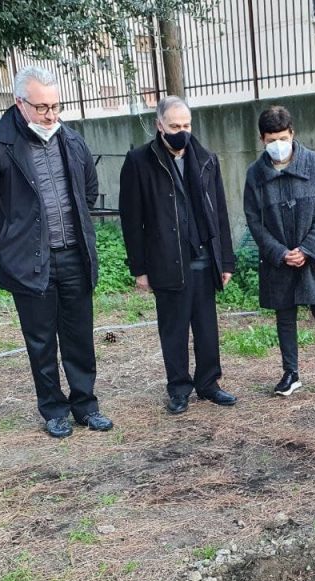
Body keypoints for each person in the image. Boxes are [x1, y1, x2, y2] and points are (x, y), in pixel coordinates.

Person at [0, 66, 113, 439]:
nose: (50, 115)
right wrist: (14, 230)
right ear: (19, 103)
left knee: (79, 335)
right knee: (41, 340)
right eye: (42, 107)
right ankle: (54, 409)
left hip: (74, 255)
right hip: (30, 262)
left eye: (55, 106)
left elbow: (87, 193)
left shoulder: (72, 141)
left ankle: (85, 405)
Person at [119, 96, 237, 413]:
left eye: (186, 125)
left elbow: (220, 213)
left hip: (203, 256)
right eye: (174, 126)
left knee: (207, 327)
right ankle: (179, 388)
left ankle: (209, 384)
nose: (181, 131)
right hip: (166, 258)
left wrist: (225, 259)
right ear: (159, 125)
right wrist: (139, 268)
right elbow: (131, 220)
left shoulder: (207, 159)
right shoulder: (139, 161)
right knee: (173, 327)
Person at [243, 106, 315, 398]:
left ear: (292, 133)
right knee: (284, 316)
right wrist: (279, 252)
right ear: (262, 140)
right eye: (270, 140)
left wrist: (308, 248)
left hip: (314, 256)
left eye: (282, 137)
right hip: (279, 260)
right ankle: (290, 374)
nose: (278, 144)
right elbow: (253, 219)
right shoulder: (255, 174)